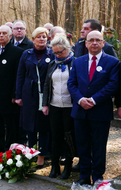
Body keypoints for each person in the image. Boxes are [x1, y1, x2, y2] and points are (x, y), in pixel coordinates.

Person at [67, 31, 119, 185]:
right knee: (82, 145)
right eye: (91, 40)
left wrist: (94, 100)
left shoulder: (113, 62)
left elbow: (113, 85)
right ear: (86, 43)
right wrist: (81, 99)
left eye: (98, 40)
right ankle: (84, 175)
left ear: (103, 43)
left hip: (100, 111)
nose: (94, 43)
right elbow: (71, 84)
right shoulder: (78, 62)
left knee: (98, 146)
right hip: (80, 111)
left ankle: (97, 176)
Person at [15, 27, 54, 168]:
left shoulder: (52, 54)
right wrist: (18, 95)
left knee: (43, 126)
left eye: (44, 36)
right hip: (29, 94)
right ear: (33, 39)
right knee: (30, 126)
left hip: (46, 94)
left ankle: (42, 156)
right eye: (38, 37)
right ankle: (31, 152)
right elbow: (20, 75)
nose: (41, 39)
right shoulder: (26, 54)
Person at [0, 25, 23, 153]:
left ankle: (9, 146)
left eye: (4, 33)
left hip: (8, 95)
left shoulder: (17, 52)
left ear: (10, 36)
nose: (1, 36)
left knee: (10, 123)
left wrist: (15, 94)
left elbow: (18, 75)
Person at [42, 33, 75, 179]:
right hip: (54, 105)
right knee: (55, 136)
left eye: (60, 52)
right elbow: (47, 85)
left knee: (68, 137)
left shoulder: (75, 63)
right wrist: (45, 104)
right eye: (54, 52)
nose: (57, 55)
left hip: (70, 106)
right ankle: (55, 166)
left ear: (67, 49)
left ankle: (68, 166)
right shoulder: (53, 64)